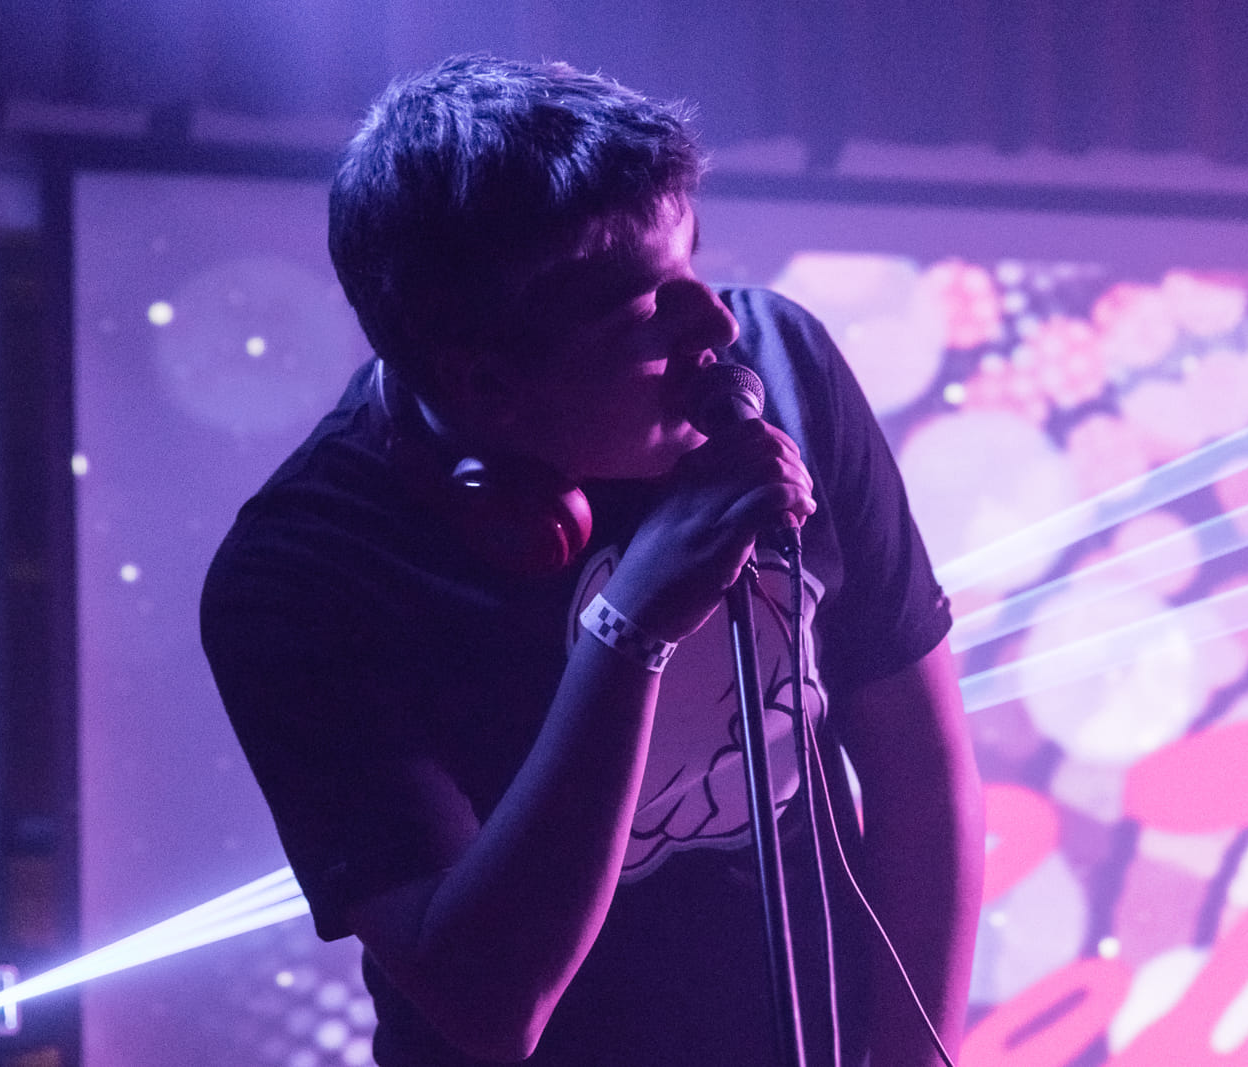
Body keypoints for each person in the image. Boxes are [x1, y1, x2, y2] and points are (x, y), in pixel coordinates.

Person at [201, 54, 983, 1067]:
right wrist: (629, 628)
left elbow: (921, 771)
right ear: (485, 383)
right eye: (648, 307)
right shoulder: (300, 576)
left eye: (695, 259)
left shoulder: (779, 371)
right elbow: (490, 1004)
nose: (718, 323)